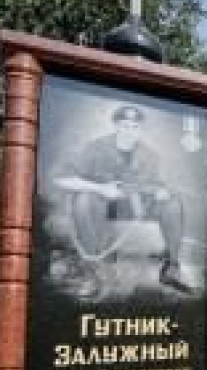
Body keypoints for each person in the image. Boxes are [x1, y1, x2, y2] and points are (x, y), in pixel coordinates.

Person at [54, 104, 190, 297]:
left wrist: (162, 191)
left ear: (140, 129)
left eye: (135, 127)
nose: (130, 131)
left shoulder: (150, 156)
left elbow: (157, 184)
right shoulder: (95, 148)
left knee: (173, 203)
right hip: (100, 205)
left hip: (134, 207)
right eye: (125, 125)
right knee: (83, 201)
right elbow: (62, 179)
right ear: (116, 126)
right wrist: (100, 188)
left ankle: (171, 268)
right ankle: (92, 272)